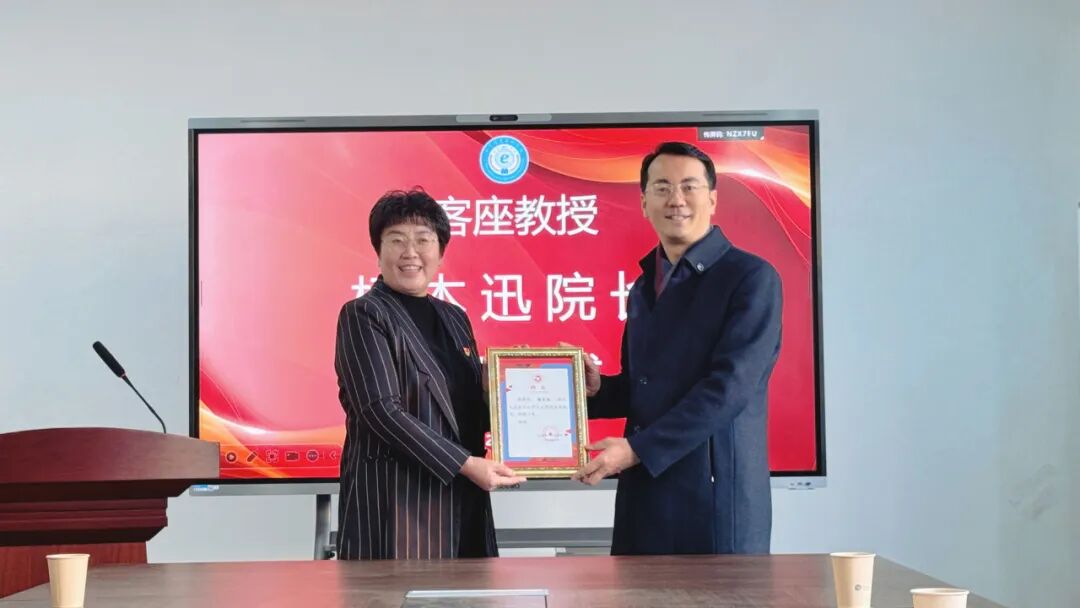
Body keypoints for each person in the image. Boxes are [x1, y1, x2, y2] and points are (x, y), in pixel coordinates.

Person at [570, 141, 783, 555]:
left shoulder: (750, 278)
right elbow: (645, 387)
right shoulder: (644, 285)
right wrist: (598, 390)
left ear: (713, 199)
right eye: (662, 188)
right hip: (646, 495)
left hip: (714, 500)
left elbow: (728, 389)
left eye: (689, 186)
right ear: (644, 202)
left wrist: (636, 450)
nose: (676, 200)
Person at [334, 188, 525, 560]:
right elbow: (380, 411)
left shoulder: (454, 317)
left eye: (423, 240)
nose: (410, 252)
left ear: (440, 251)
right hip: (399, 507)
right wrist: (464, 464)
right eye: (397, 240)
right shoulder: (364, 314)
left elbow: (465, 410)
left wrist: (510, 389)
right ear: (378, 250)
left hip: (464, 501)